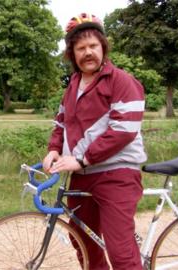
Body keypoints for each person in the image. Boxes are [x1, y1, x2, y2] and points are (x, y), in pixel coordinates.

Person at [42, 12, 147, 270]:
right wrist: (54, 149)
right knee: (84, 243)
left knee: (120, 250)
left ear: (103, 47)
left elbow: (123, 130)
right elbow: (61, 121)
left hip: (117, 173)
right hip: (82, 173)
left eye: (93, 46)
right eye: (80, 48)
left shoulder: (122, 81)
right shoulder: (73, 85)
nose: (88, 52)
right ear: (72, 53)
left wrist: (81, 158)